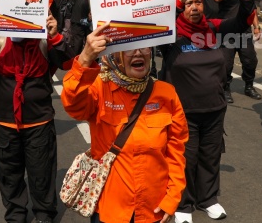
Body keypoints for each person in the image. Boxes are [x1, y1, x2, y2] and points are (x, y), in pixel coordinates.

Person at [61, 25, 188, 223]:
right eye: (129, 48)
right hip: (110, 211)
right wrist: (85, 58)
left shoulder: (167, 93)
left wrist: (172, 199)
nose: (138, 52)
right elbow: (73, 104)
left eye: (145, 47)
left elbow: (176, 152)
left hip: (152, 210)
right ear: (114, 56)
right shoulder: (99, 87)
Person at [159, 0, 255, 223]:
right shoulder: (170, 33)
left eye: (198, 4)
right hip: (182, 112)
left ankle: (208, 199)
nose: (194, 8)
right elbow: (159, 21)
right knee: (185, 159)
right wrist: (176, 1)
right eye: (189, 3)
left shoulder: (213, 27)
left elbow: (242, 21)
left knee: (211, 156)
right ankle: (183, 204)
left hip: (214, 109)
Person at [0, 15, 74, 223]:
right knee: (8, 174)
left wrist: (55, 36)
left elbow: (68, 63)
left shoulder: (43, 38)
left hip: (39, 122)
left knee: (42, 172)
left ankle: (44, 214)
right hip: (3, 122)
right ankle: (16, 214)